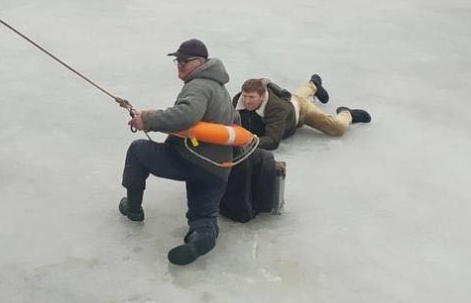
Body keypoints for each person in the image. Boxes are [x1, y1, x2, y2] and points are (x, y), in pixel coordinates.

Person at [120, 39, 238, 266]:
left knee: (138, 150)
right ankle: (201, 239)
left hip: (188, 159)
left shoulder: (198, 85)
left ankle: (133, 208)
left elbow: (185, 115)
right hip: (217, 168)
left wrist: (147, 120)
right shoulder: (220, 89)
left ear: (201, 62)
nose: (180, 65)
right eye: (177, 60)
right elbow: (236, 121)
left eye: (185, 61)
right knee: (203, 217)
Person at [233, 75, 371, 150]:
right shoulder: (238, 100)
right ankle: (313, 85)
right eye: (245, 96)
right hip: (290, 102)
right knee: (295, 97)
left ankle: (347, 113)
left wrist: (251, 142)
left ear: (262, 97)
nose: (247, 101)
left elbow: (273, 141)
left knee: (337, 128)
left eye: (251, 97)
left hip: (301, 110)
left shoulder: (276, 109)